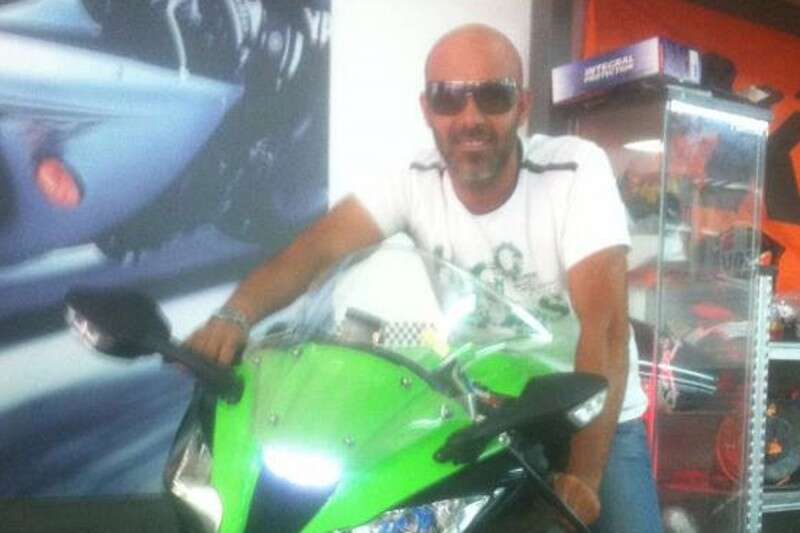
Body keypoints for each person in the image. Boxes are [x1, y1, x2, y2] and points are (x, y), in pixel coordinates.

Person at [186, 23, 662, 533]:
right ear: (426, 109)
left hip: (591, 411)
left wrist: (584, 477)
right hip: (490, 409)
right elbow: (314, 251)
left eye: (493, 96)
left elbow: (606, 329)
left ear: (523, 106)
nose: (470, 118)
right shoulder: (413, 179)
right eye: (448, 98)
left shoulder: (574, 171)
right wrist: (235, 314)